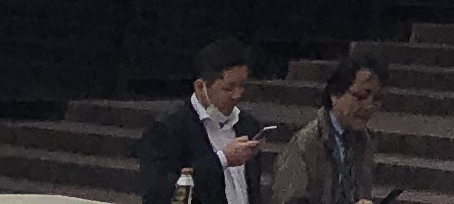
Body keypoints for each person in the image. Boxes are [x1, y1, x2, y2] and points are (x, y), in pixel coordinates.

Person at [135, 38, 266, 204]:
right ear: (200, 87)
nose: (237, 95)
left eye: (242, 86)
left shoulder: (247, 124)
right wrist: (222, 160)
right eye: (228, 88)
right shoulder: (168, 129)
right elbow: (158, 193)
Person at [267, 48, 385, 204]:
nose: (369, 106)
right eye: (361, 96)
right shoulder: (307, 142)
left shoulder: (364, 142)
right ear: (335, 94)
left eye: (376, 99)